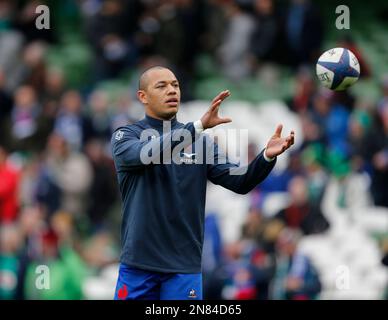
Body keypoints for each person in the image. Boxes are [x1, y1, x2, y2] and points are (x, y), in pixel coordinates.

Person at [111, 66, 295, 300]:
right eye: (161, 86)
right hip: (139, 265)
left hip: (184, 269)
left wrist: (266, 157)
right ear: (143, 97)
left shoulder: (201, 143)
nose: (171, 90)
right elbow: (146, 154)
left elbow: (241, 182)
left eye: (175, 85)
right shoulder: (126, 136)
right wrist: (196, 128)